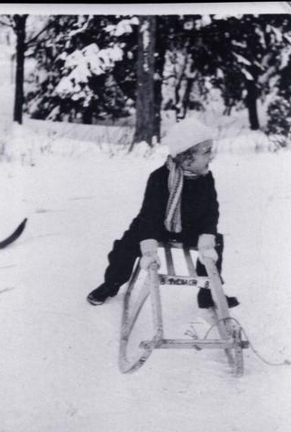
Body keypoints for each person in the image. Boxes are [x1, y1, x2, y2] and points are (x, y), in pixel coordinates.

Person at [87, 117, 239, 309]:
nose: (211, 156)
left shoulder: (206, 179)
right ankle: (111, 284)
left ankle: (208, 291)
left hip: (190, 228)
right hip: (156, 226)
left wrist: (207, 233)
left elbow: (212, 210)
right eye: (206, 151)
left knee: (216, 242)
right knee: (126, 245)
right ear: (186, 156)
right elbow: (149, 213)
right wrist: (148, 241)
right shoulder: (159, 178)